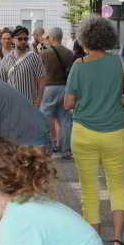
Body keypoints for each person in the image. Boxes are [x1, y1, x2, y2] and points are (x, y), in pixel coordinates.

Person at [63, 16, 124, 245]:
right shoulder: (118, 62)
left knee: (89, 190)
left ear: (84, 39)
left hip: (84, 134)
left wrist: (85, 98)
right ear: (108, 38)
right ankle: (117, 242)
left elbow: (68, 103)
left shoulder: (79, 65)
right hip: (114, 133)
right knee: (117, 187)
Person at [38, 27, 76, 159]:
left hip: (49, 88)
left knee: (45, 118)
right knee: (65, 119)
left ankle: (49, 147)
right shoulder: (69, 53)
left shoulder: (44, 52)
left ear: (52, 37)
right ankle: (66, 150)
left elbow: (39, 71)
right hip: (65, 88)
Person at [5, 26, 47, 107]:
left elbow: (44, 55)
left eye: (25, 39)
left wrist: (38, 101)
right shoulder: (32, 44)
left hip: (29, 100)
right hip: (12, 103)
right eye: (20, 39)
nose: (23, 41)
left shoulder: (37, 49)